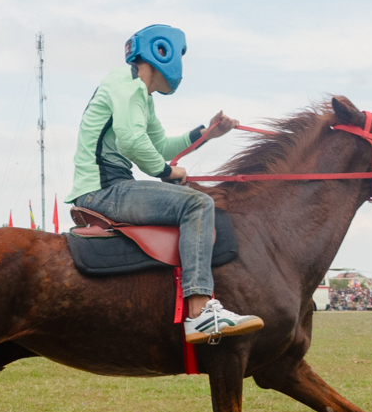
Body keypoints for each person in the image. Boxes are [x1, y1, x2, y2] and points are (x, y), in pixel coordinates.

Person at [71, 24, 263, 344]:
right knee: (197, 203)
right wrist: (166, 173)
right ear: (161, 51)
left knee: (190, 195)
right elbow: (134, 142)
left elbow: (160, 146)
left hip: (110, 186)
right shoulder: (127, 84)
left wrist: (208, 133)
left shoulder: (141, 98)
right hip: (102, 189)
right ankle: (200, 312)